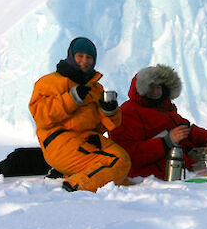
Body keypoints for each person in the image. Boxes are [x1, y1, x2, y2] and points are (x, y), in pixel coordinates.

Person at [28, 37, 131, 192]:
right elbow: (41, 116)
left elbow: (105, 126)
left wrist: (110, 111)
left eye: (89, 57)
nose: (85, 61)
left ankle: (71, 175)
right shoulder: (49, 82)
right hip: (59, 141)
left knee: (123, 160)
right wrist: (72, 98)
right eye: (80, 56)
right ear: (71, 56)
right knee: (117, 163)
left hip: (87, 139)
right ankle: (73, 186)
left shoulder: (95, 88)